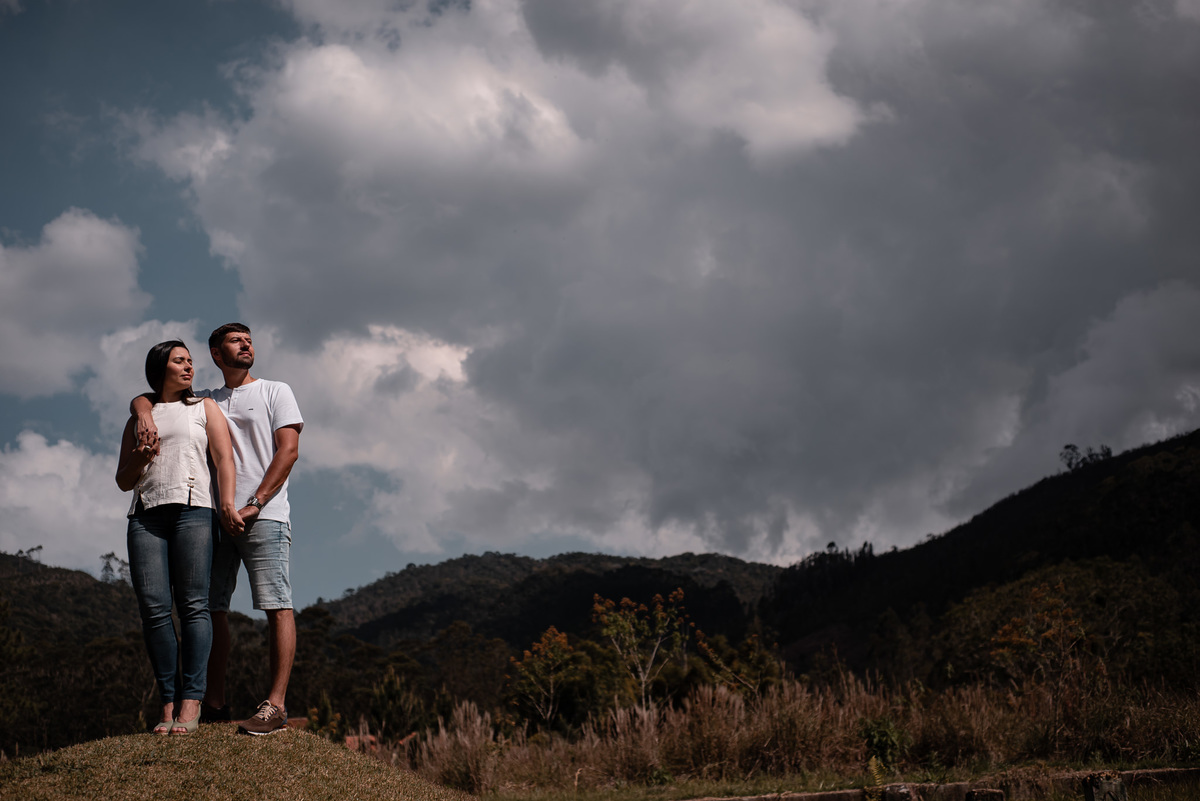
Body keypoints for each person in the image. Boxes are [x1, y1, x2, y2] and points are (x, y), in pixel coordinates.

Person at [133, 323, 303, 736]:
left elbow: (289, 451)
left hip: (263, 514)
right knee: (211, 608)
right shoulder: (205, 399)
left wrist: (254, 503)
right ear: (215, 352)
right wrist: (140, 410)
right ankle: (214, 703)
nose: (246, 344)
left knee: (275, 603)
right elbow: (151, 398)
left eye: (249, 340)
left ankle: (275, 705)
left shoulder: (275, 391)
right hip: (212, 515)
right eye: (235, 340)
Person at [116, 340, 242, 735]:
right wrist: (142, 451)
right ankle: (168, 702)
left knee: (193, 606)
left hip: (194, 511)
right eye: (179, 361)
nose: (189, 367)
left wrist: (226, 505)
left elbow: (224, 460)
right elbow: (123, 480)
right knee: (154, 611)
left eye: (190, 361)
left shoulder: (204, 408)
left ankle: (192, 700)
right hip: (145, 516)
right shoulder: (142, 414)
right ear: (161, 368)